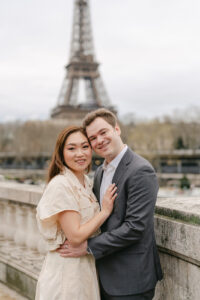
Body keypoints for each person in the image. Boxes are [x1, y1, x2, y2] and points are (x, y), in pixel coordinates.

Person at [58, 109, 163, 300]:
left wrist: (88, 246)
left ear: (117, 129)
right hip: (103, 275)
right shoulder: (100, 172)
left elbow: (135, 227)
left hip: (131, 279)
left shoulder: (140, 170)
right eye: (93, 138)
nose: (99, 140)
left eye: (103, 132)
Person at [35, 126, 117, 300]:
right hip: (68, 273)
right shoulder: (61, 185)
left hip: (83, 267)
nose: (80, 153)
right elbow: (75, 236)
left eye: (85, 147)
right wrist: (105, 211)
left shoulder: (85, 182)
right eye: (72, 148)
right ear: (61, 153)